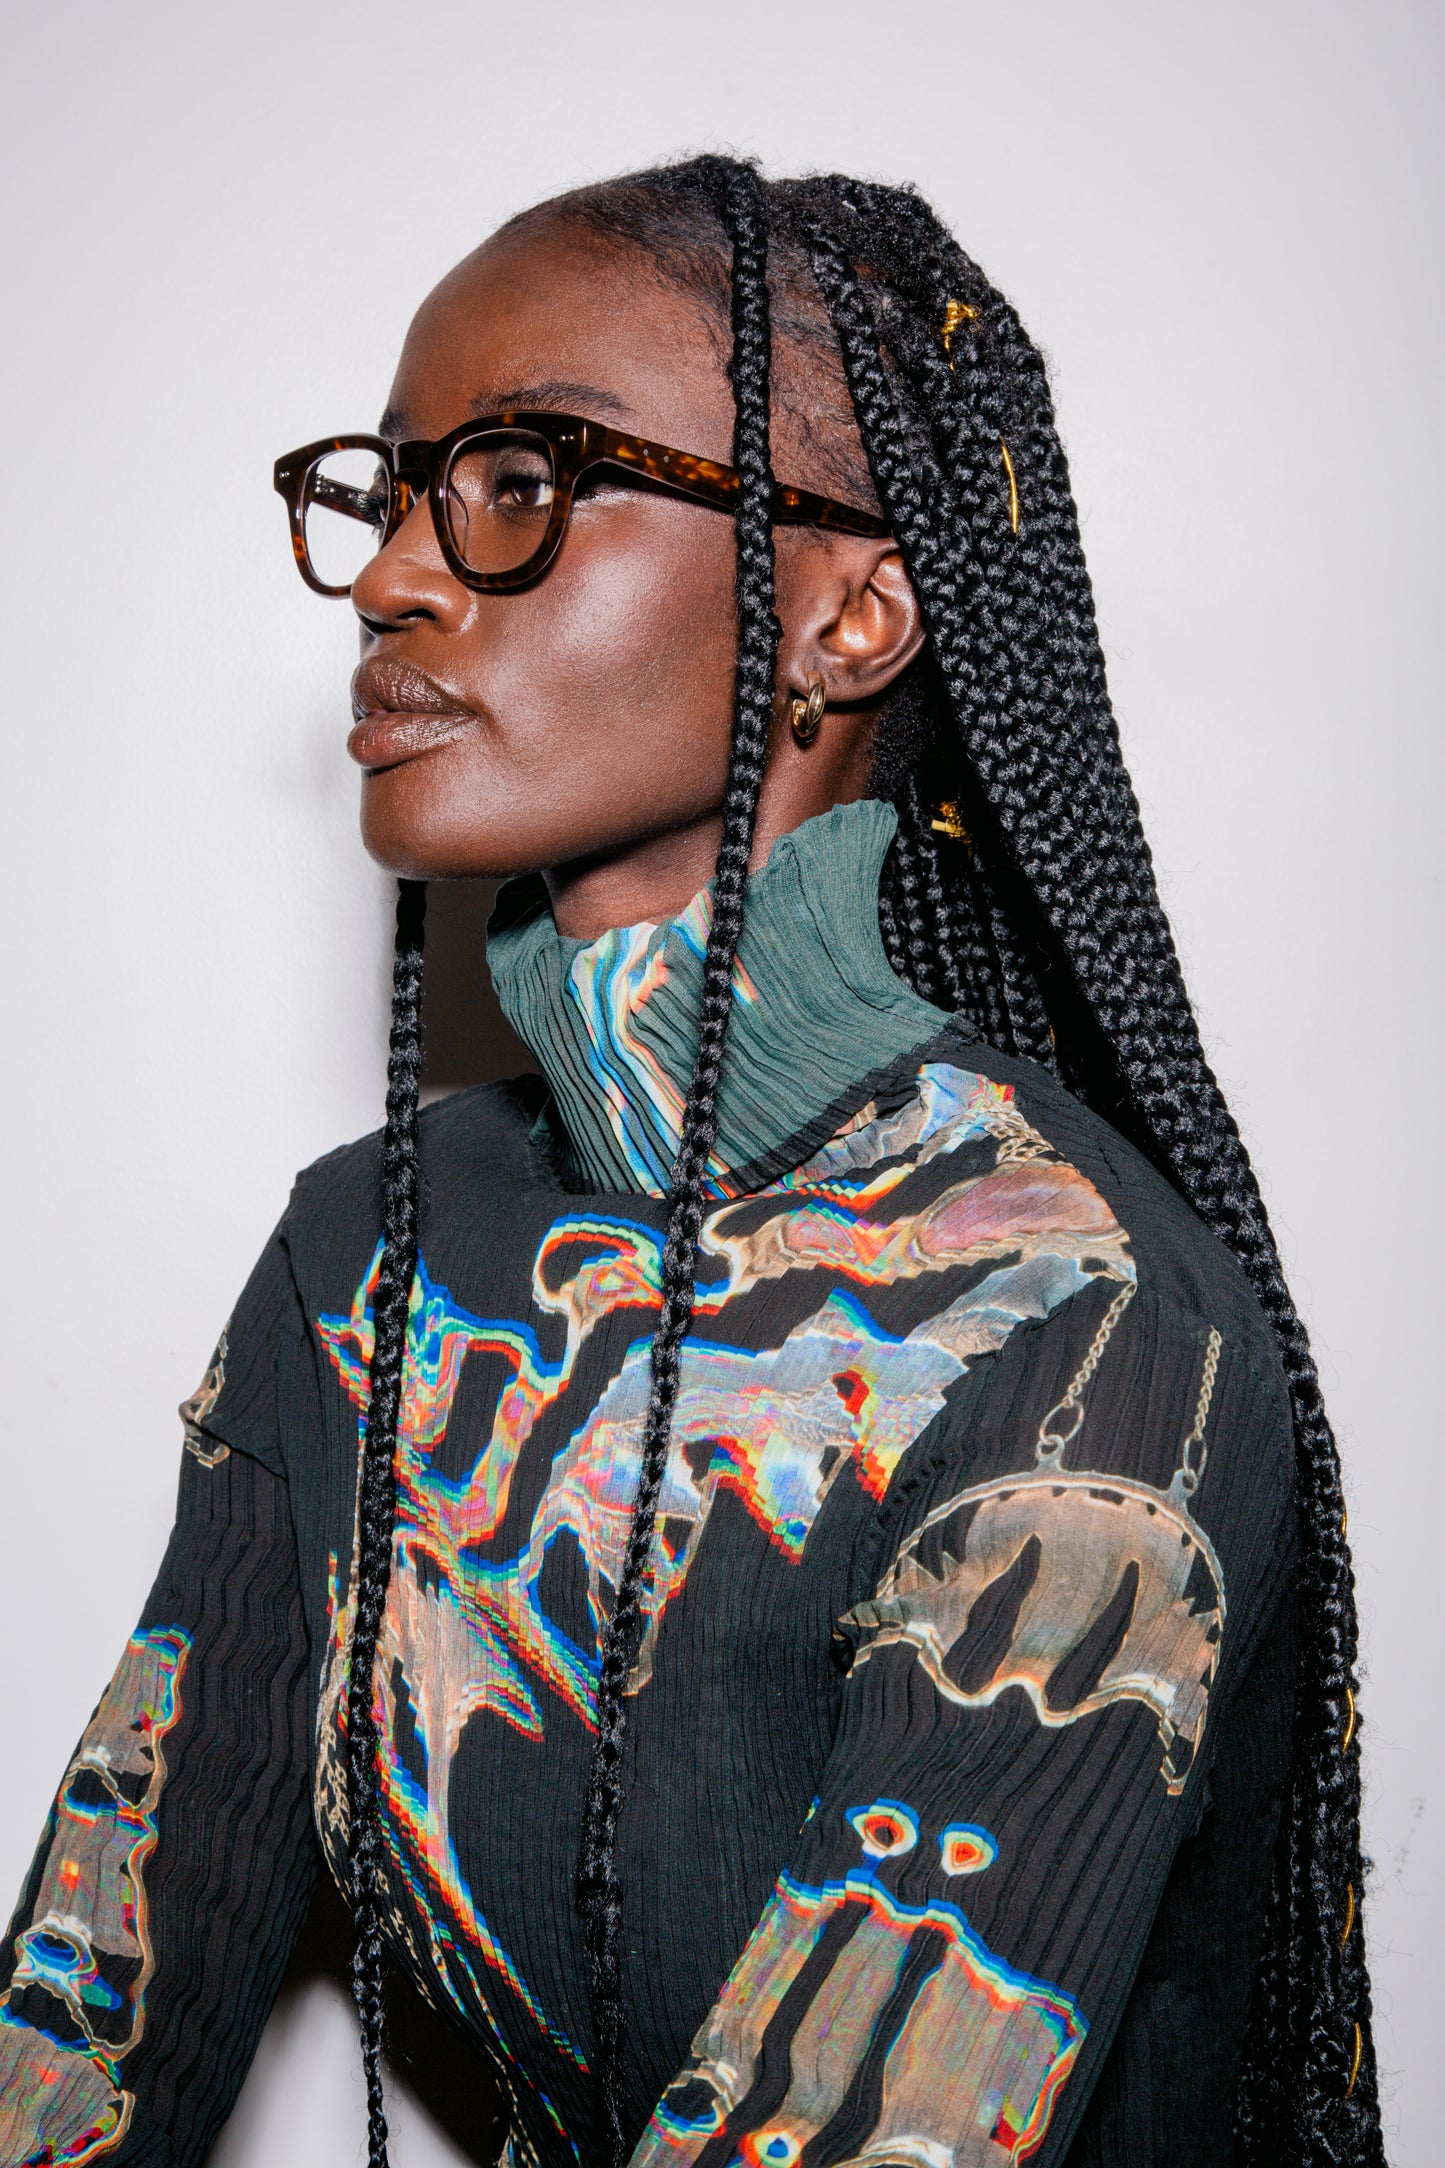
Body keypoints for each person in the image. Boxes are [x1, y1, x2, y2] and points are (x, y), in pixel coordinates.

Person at [0, 157, 1384, 2168]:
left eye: (521, 480)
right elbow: (85, 2026)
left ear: (850, 611)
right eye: (393, 493)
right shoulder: (363, 1256)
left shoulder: (1078, 1328)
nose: (393, 579)